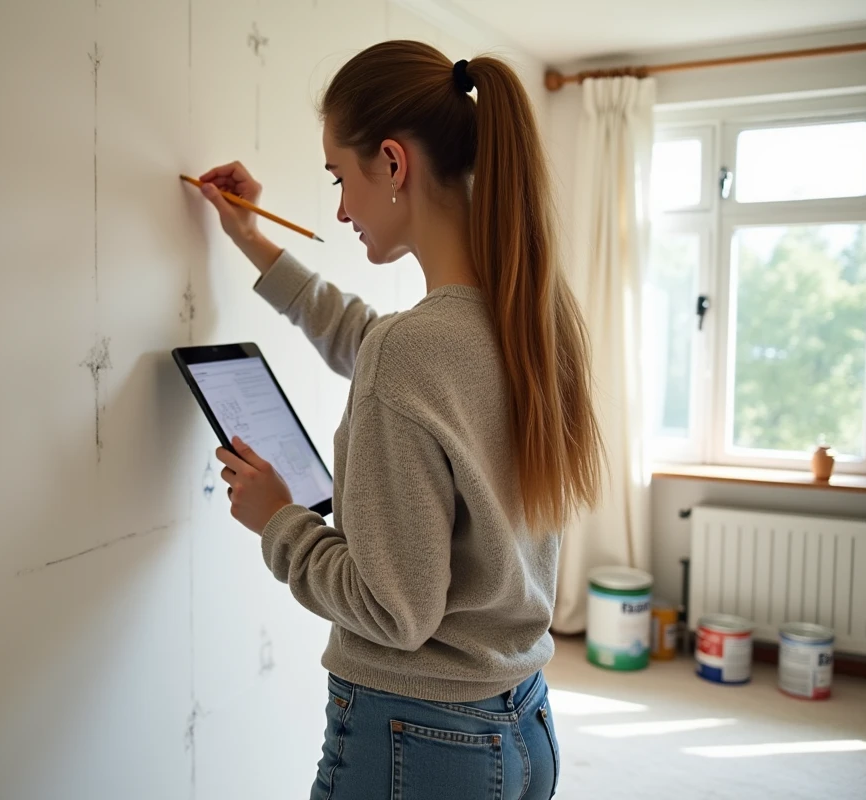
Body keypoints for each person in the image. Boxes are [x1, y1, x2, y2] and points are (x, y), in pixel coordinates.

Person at [195, 40, 604, 800]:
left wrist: (280, 520)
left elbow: (394, 610)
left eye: (339, 178)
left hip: (418, 740)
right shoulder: (535, 317)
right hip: (523, 724)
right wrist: (255, 242)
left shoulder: (412, 351)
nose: (342, 208)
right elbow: (369, 341)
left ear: (392, 161)